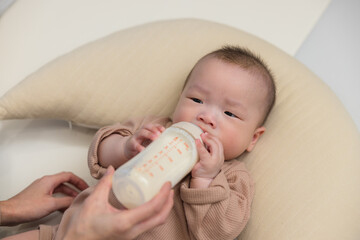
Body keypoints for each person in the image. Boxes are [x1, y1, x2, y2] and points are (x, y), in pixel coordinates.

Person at [11, 45, 276, 239]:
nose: (206, 116)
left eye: (230, 113)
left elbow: (219, 232)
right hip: (68, 231)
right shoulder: (155, 131)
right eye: (197, 100)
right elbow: (100, 154)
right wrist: (126, 148)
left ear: (253, 138)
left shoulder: (232, 178)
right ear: (181, 96)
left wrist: (205, 179)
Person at [1, 167, 174, 240]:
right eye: (195, 100)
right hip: (61, 233)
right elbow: (102, 149)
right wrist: (125, 145)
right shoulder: (157, 128)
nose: (202, 115)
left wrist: (8, 209)